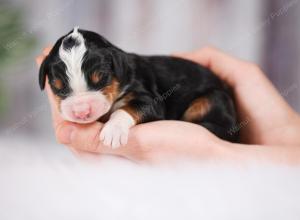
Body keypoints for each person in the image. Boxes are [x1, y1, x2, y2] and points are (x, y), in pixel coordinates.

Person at [36, 46, 300, 164]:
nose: (81, 108)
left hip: (204, 101)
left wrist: (121, 120)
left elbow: (150, 106)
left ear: (118, 66)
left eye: (100, 82)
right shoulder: (117, 69)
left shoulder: (133, 76)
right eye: (62, 89)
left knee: (208, 105)